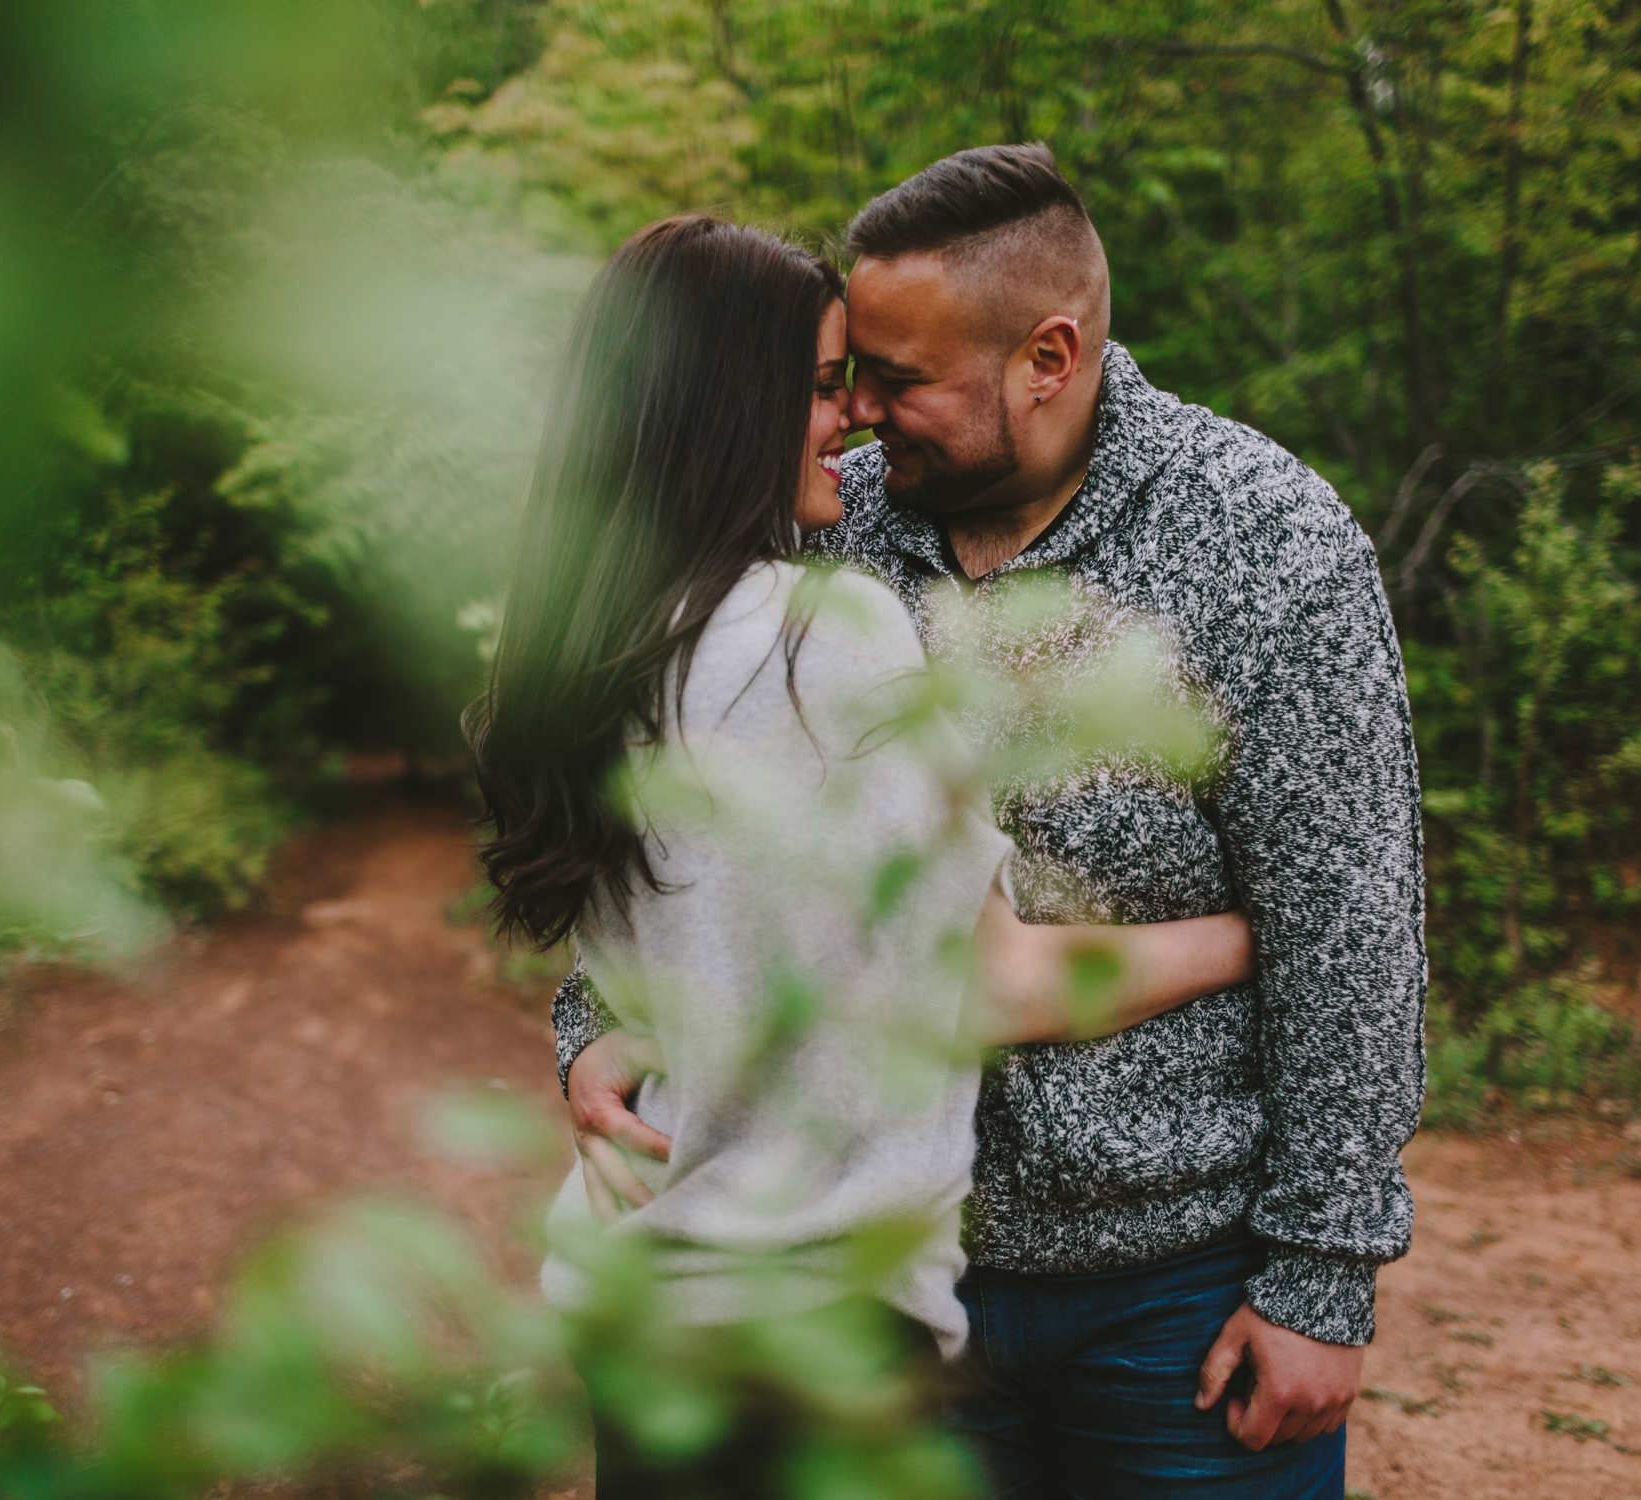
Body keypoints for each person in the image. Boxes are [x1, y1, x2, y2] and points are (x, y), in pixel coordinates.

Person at [557, 148, 1427, 1498]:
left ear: (1048, 354)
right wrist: (591, 1026)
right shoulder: (815, 538)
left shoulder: (1265, 540)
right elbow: (678, 820)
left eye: (895, 381)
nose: (856, 417)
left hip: (1168, 1301)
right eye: (843, 379)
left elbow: (1355, 927)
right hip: (875, 1292)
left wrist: (1321, 1274)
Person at [468, 213, 1260, 1499]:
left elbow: (679, 968)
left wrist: (594, 1043)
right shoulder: (820, 636)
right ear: (734, 401)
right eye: (828, 384)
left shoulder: (585, 649)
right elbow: (996, 988)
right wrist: (1254, 932)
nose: (858, 421)